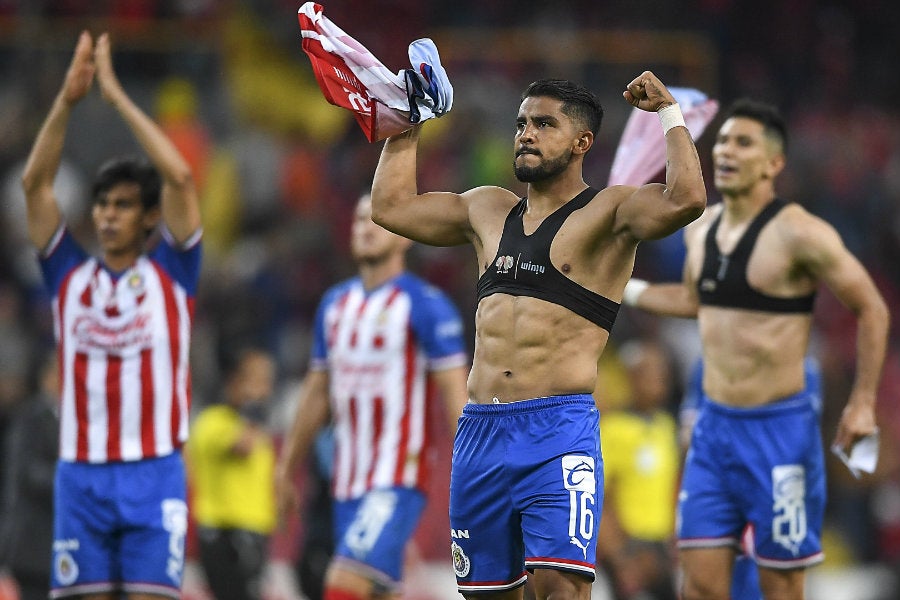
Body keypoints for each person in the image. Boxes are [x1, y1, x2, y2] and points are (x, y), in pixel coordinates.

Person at [370, 71, 706, 599]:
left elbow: (687, 199)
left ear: (582, 143)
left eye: (544, 124)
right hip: (479, 432)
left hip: (557, 431)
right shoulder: (486, 207)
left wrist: (669, 112)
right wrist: (404, 123)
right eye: (521, 123)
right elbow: (390, 208)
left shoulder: (611, 211)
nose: (525, 133)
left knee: (558, 588)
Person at [621, 98, 890, 600]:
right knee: (697, 584)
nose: (726, 151)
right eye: (722, 141)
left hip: (779, 433)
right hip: (713, 431)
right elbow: (696, 301)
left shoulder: (800, 233)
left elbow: (872, 308)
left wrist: (862, 401)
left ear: (774, 162)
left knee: (780, 585)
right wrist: (624, 288)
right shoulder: (701, 230)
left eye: (742, 143)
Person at [20, 31, 202, 600]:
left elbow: (180, 178)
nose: (107, 215)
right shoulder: (69, 276)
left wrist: (118, 97)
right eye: (102, 204)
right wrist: (68, 101)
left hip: (155, 473)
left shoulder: (174, 274)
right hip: (82, 477)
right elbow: (35, 184)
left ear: (150, 218)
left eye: (123, 205)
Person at [275, 194, 470, 600]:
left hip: (397, 476)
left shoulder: (426, 306)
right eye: (359, 219)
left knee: (342, 583)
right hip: (345, 481)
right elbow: (316, 394)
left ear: (406, 237)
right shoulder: (334, 305)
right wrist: (286, 466)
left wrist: (475, 472)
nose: (365, 227)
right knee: (378, 591)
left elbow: (456, 397)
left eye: (376, 220)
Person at [186, 347, 278, 600]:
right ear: (234, 382)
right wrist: (254, 406)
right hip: (225, 535)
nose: (265, 389)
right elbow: (243, 447)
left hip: (255, 531)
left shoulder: (256, 428)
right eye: (256, 380)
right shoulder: (212, 422)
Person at [597, 339, 680, 600]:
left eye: (662, 373)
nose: (660, 380)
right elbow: (599, 498)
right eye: (651, 374)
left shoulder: (666, 426)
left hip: (663, 549)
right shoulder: (612, 429)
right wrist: (622, 557)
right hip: (628, 550)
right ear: (631, 377)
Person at [0, 351, 59, 600]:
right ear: (46, 377)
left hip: (57, 544)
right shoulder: (30, 416)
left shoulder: (70, 418)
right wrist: (72, 479)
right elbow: (27, 473)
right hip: (32, 545)